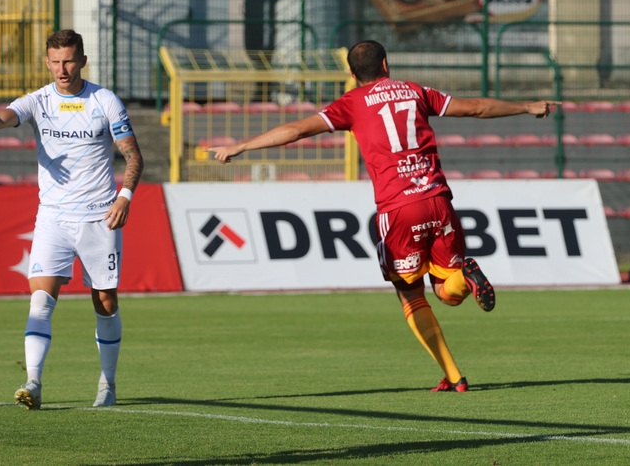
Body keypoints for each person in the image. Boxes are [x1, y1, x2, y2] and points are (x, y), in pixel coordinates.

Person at [208, 40, 556, 392]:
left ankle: (455, 376)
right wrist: (528, 106)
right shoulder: (416, 92)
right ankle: (465, 278)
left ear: (351, 73)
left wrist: (242, 146)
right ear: (386, 65)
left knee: (410, 295)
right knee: (447, 292)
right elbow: (477, 108)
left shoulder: (352, 103)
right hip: (438, 200)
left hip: (399, 208)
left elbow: (297, 130)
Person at [0, 29, 143, 410]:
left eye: (68, 61)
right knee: (40, 300)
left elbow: (133, 155)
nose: (62, 69)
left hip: (99, 218)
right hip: (53, 218)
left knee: (105, 301)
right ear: (46, 62)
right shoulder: (38, 101)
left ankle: (107, 384)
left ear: (83, 61)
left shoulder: (105, 101)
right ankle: (33, 382)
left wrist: (125, 197)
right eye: (55, 62)